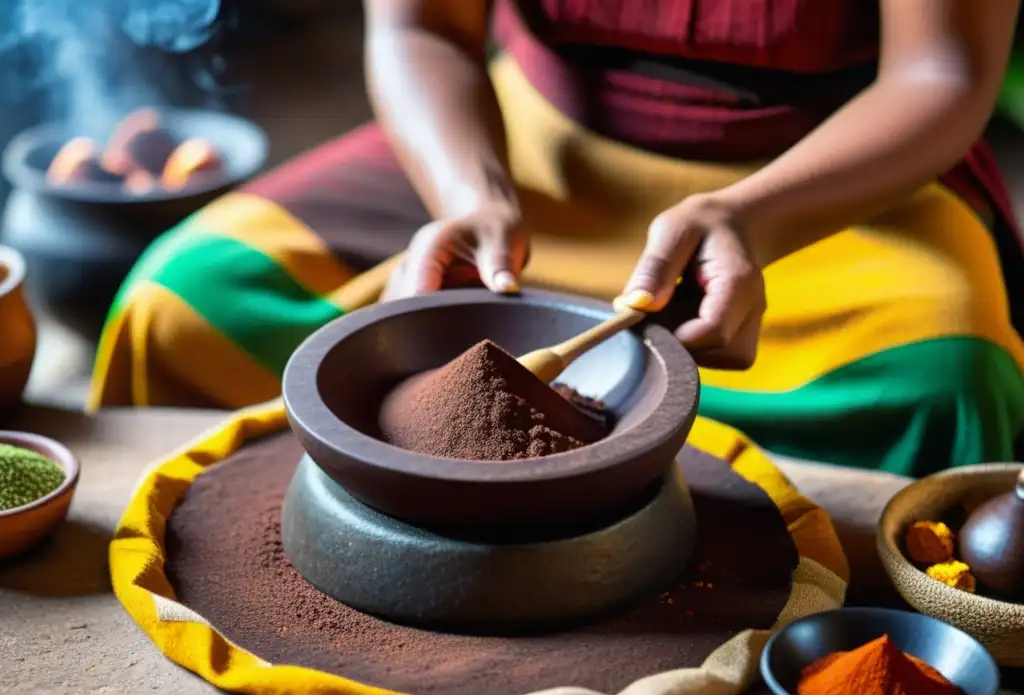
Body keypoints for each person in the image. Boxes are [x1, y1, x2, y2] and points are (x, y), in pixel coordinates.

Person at [90, 0, 1024, 477]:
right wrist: (468, 192)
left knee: (945, 388)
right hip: (521, 148)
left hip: (825, 182)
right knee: (185, 299)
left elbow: (940, 72)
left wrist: (754, 217)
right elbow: (420, 26)